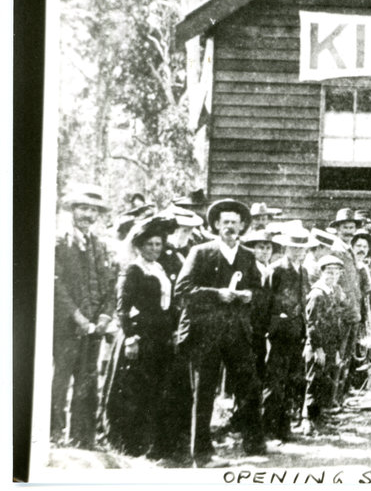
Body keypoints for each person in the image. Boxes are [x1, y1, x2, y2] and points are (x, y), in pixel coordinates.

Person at [174, 198, 266, 465]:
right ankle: (201, 453)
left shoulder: (247, 256)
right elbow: (183, 291)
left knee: (249, 387)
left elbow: (259, 291)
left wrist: (250, 295)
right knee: (204, 393)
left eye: (235, 223)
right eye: (225, 222)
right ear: (216, 224)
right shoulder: (201, 252)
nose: (230, 227)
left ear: (242, 227)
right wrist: (217, 295)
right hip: (206, 334)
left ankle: (254, 445)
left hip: (237, 333)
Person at [102, 215, 183, 458]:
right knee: (136, 390)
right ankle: (131, 442)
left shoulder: (160, 268)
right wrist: (130, 339)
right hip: (140, 338)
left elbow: (167, 304)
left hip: (160, 338)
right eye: (150, 245)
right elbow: (122, 307)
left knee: (158, 389)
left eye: (159, 245)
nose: (155, 249)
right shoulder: (133, 270)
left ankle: (154, 443)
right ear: (139, 246)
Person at [52, 184, 116, 449]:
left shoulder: (100, 245)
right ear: (72, 210)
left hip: (95, 326)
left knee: (88, 381)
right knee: (61, 378)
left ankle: (83, 438)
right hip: (67, 325)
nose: (88, 214)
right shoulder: (59, 242)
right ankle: (54, 435)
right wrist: (78, 317)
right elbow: (57, 285)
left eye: (93, 210)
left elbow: (110, 285)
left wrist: (103, 317)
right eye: (83, 208)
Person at [261, 227, 316, 441]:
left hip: (297, 332)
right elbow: (266, 301)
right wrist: (273, 324)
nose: (298, 252)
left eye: (302, 248)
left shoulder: (302, 270)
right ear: (286, 248)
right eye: (294, 248)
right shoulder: (276, 270)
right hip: (278, 333)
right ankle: (268, 429)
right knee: (274, 382)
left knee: (292, 380)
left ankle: (284, 428)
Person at [302, 256, 348, 435]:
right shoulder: (317, 294)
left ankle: (319, 420)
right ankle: (308, 422)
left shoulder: (334, 291)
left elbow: (337, 322)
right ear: (321, 273)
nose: (333, 276)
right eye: (329, 272)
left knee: (323, 383)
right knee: (312, 383)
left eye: (337, 273)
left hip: (330, 346)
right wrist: (318, 349)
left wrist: (335, 350)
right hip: (316, 346)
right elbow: (312, 324)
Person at [326, 208, 364, 407]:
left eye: (351, 228)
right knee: (337, 357)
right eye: (345, 228)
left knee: (347, 357)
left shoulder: (350, 250)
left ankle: (340, 395)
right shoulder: (335, 251)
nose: (349, 232)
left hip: (353, 312)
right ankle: (331, 399)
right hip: (341, 313)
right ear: (337, 229)